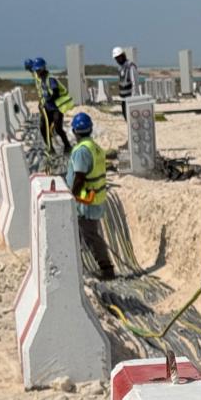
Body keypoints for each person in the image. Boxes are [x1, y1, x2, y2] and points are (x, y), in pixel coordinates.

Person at [66, 112, 116, 280]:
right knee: (88, 233)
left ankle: (107, 269)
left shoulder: (81, 151)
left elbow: (79, 177)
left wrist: (71, 197)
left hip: (85, 199)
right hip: (96, 196)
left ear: (75, 131)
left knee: (90, 235)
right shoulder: (95, 147)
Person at [30, 58, 73, 154]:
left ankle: (67, 145)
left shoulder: (51, 79)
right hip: (46, 108)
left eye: (38, 70)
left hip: (56, 108)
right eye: (36, 70)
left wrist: (49, 99)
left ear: (43, 68)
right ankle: (50, 148)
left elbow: (56, 92)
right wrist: (41, 104)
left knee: (58, 128)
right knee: (43, 128)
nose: (37, 72)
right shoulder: (40, 79)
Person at [113, 46, 137, 120]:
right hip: (123, 99)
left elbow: (134, 82)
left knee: (131, 119)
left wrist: (133, 98)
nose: (118, 60)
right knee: (126, 118)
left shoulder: (130, 66)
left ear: (123, 56)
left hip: (130, 98)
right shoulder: (121, 68)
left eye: (119, 57)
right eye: (116, 58)